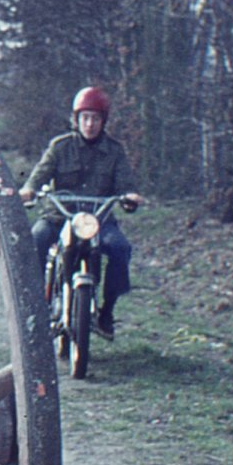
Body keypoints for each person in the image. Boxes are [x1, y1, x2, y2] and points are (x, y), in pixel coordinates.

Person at [18, 86, 144, 339]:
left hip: (98, 220)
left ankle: (107, 311)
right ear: (76, 119)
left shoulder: (115, 151)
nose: (90, 124)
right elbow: (40, 174)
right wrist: (30, 189)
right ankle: (35, 306)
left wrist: (130, 195)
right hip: (59, 217)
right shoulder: (60, 147)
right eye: (85, 118)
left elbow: (125, 183)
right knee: (36, 239)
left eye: (95, 118)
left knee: (120, 248)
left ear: (103, 121)